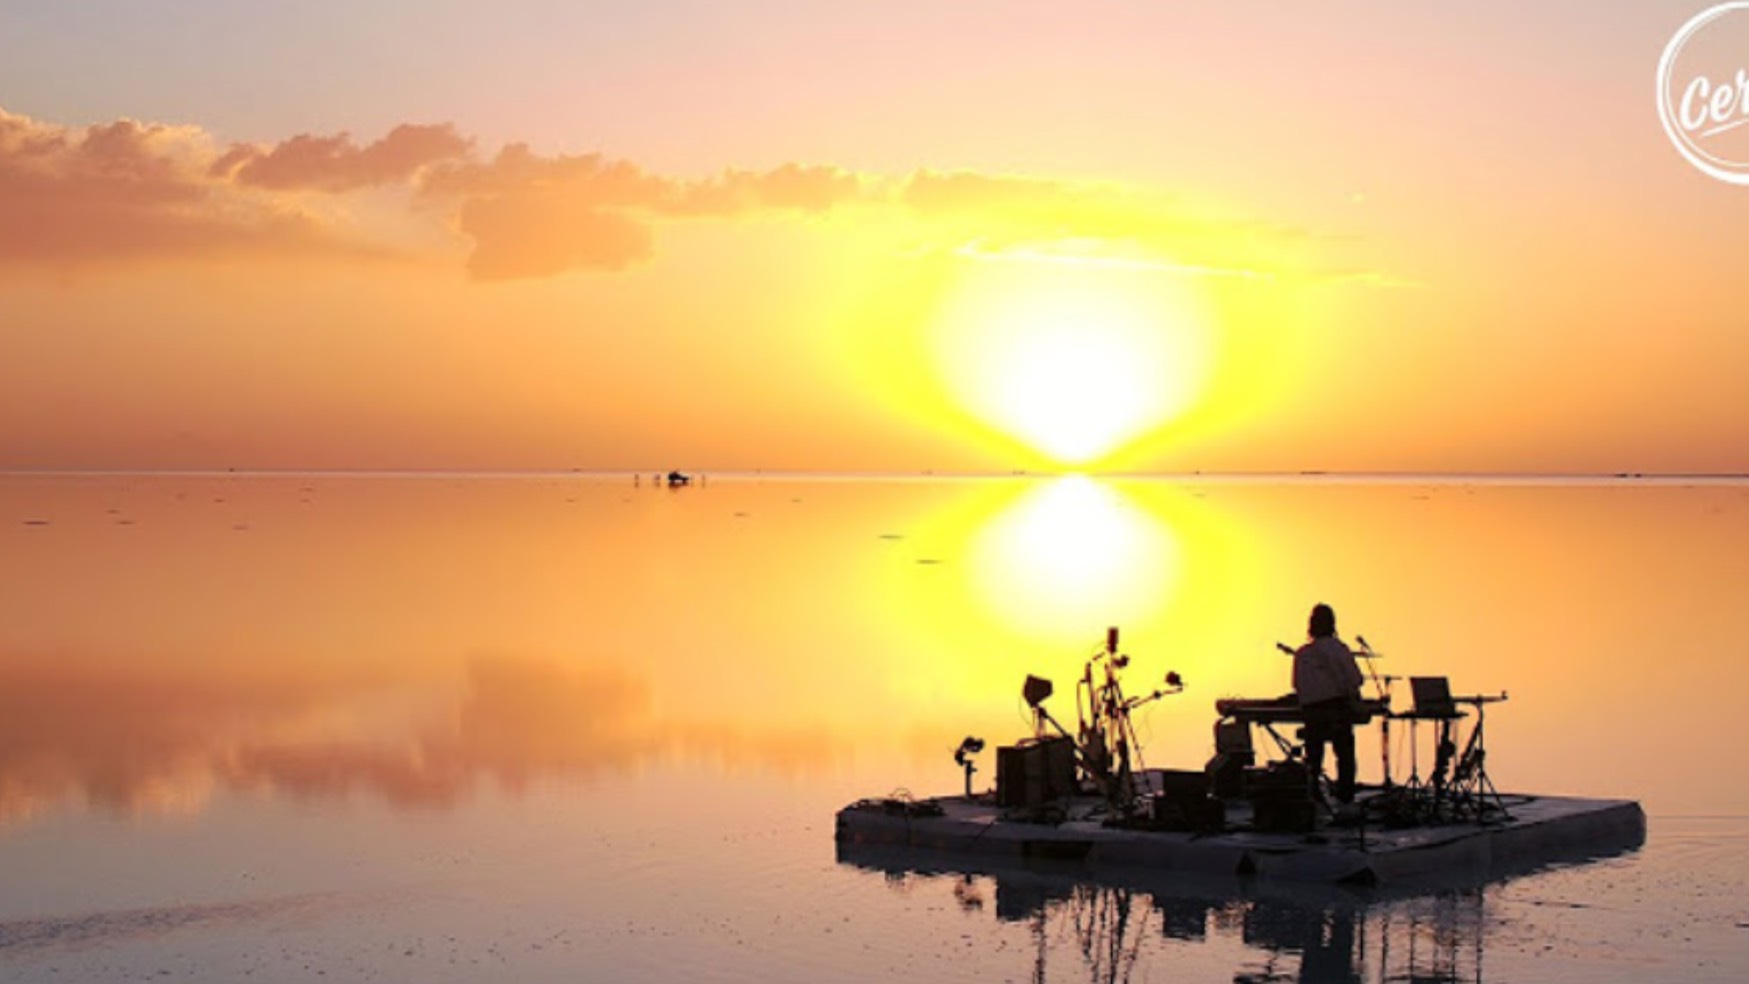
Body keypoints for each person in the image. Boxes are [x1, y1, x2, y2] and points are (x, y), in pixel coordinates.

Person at [1290, 603, 1365, 805]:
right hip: (1335, 710)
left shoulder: (1302, 654)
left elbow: (1297, 685)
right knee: (1345, 754)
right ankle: (1345, 796)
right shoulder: (1338, 649)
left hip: (1311, 713)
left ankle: (1313, 793)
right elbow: (1355, 679)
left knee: (1314, 756)